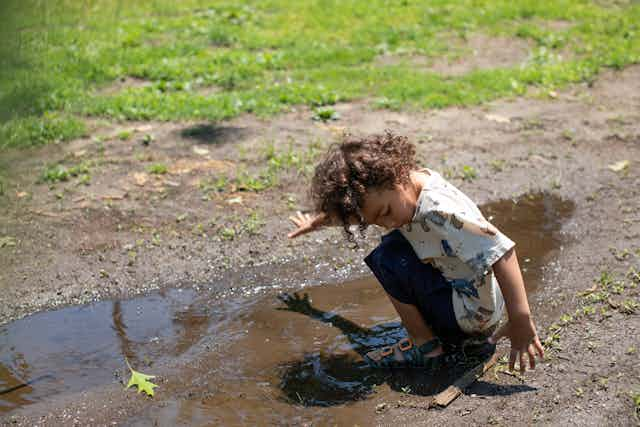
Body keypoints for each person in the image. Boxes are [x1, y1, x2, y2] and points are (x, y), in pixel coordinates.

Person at [287, 131, 544, 373]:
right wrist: (316, 222)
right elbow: (362, 210)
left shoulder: (438, 211)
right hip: (478, 302)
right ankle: (446, 333)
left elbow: (501, 252)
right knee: (398, 240)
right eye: (375, 220)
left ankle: (426, 347)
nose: (386, 223)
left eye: (385, 212)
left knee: (388, 256)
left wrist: (520, 320)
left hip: (471, 316)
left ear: (395, 177)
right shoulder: (413, 182)